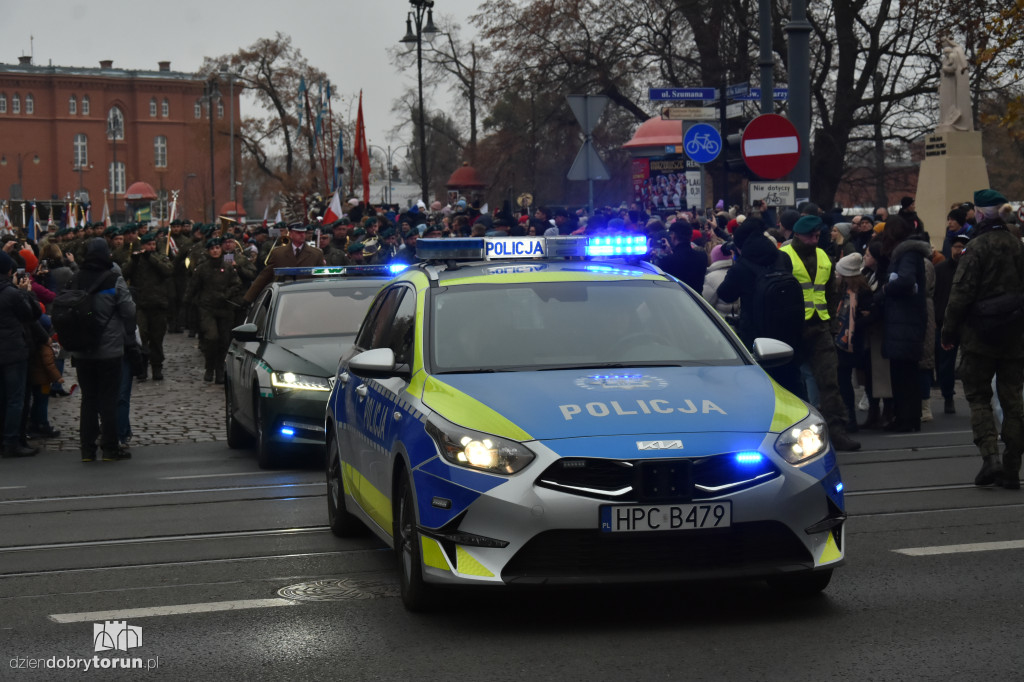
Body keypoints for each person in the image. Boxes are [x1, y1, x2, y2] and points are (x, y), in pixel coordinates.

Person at [941, 189, 1024, 489]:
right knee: (1013, 401)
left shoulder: (975, 248)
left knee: (978, 398)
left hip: (979, 338)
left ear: (979, 214)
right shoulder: (1017, 246)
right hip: (1015, 337)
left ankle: (990, 459)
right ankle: (1012, 467)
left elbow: (960, 295)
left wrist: (948, 332)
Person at [779, 215, 861, 451]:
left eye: (818, 235)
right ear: (798, 234)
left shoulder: (824, 256)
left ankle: (837, 431)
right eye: (811, 236)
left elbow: (830, 293)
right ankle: (794, 435)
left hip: (820, 326)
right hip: (793, 329)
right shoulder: (785, 256)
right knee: (792, 385)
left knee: (829, 383)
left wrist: (833, 323)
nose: (816, 239)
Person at [68, 238, 137, 462]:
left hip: (82, 349)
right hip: (110, 350)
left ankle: (87, 450)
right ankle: (109, 448)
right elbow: (128, 311)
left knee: (88, 399)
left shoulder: (75, 278)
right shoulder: (113, 279)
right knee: (109, 398)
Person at [875, 216, 930, 432]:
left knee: (904, 374)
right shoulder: (909, 253)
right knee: (905, 372)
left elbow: (905, 280)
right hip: (907, 320)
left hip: (904, 320)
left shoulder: (906, 254)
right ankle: (907, 417)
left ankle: (906, 419)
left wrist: (885, 290)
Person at [185, 238, 244, 384]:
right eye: (212, 248)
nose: (215, 251)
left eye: (217, 248)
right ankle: (209, 367)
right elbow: (193, 287)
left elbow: (237, 284)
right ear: (208, 251)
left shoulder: (228, 267)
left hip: (225, 308)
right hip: (207, 308)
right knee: (211, 338)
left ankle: (219, 370)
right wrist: (187, 305)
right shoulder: (203, 268)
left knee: (224, 341)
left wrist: (227, 295)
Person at [0, 250, 40, 457]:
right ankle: (12, 441)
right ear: (9, 270)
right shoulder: (12, 293)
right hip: (14, 351)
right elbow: (32, 314)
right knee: (16, 399)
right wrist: (25, 292)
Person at [122, 231, 174, 381]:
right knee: (141, 337)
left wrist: (150, 258)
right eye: (148, 245)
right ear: (142, 245)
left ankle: (157, 367)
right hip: (140, 305)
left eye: (153, 244)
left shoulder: (160, 257)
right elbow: (123, 273)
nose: (151, 247)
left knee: (157, 338)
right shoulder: (135, 258)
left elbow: (168, 270)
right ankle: (142, 367)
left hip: (159, 304)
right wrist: (135, 261)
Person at [244, 222, 325, 303]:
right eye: (298, 232)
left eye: (303, 232)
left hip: (308, 298)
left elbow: (322, 278)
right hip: (284, 299)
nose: (302, 235)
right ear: (291, 234)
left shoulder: (316, 253)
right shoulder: (278, 253)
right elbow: (265, 276)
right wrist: (248, 299)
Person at [934, 234, 968, 414]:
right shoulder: (940, 270)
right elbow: (935, 294)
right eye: (955, 246)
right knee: (945, 363)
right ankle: (948, 396)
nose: (958, 250)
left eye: (961, 246)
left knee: (970, 361)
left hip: (969, 323)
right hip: (945, 322)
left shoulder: (972, 268)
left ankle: (974, 394)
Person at [656, 221, 707, 292]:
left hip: (677, 299)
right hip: (696, 300)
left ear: (673, 236)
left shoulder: (667, 261)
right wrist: (670, 252)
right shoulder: (702, 256)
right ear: (691, 236)